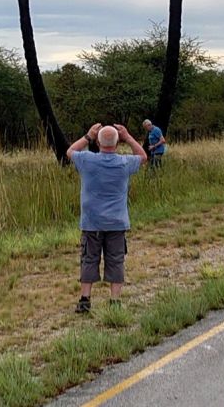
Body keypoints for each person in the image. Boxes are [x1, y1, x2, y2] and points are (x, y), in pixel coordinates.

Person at [68, 123, 146, 314]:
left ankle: (85, 299)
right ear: (117, 143)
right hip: (117, 222)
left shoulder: (87, 160)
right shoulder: (124, 163)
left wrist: (88, 136)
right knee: (116, 260)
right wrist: (128, 136)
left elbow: (70, 151)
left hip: (91, 222)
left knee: (89, 258)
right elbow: (143, 156)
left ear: (98, 142)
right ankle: (115, 301)